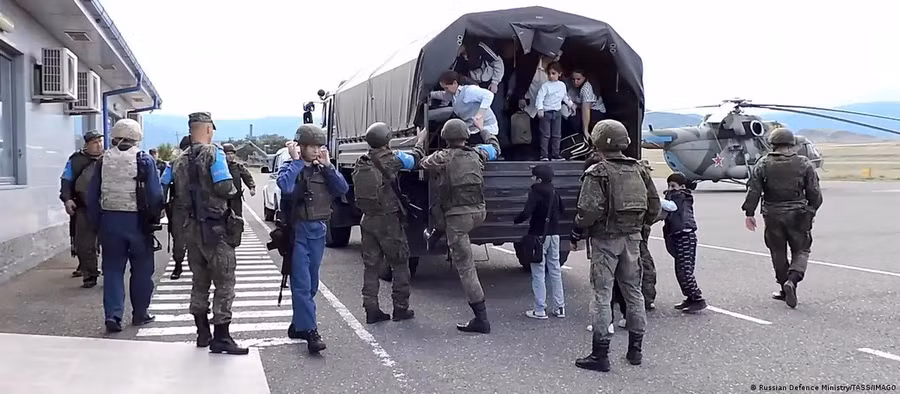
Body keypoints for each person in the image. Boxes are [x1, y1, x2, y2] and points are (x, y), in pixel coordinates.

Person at [571, 119, 660, 372]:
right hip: (632, 239)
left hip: (605, 240)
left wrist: (578, 227)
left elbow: (588, 210)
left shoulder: (597, 172)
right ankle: (635, 351)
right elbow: (654, 206)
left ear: (598, 141)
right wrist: (640, 228)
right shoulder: (641, 170)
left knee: (601, 293)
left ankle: (600, 355)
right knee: (633, 293)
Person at [413, 118, 500, 334]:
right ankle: (436, 233)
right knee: (444, 214)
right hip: (479, 212)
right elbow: (495, 147)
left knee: (466, 268)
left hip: (458, 217)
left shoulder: (441, 157)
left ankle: (481, 319)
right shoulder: (478, 154)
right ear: (465, 136)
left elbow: (419, 162)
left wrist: (420, 140)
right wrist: (483, 129)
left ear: (445, 137)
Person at [171, 112, 248, 355]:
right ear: (207, 129)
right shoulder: (215, 154)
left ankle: (202, 333)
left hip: (191, 229)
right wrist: (233, 190)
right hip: (216, 229)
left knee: (199, 281)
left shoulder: (179, 160)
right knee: (224, 283)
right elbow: (225, 186)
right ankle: (222, 337)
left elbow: (169, 189)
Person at [85, 119, 163, 333]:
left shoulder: (103, 160)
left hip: (109, 222)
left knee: (112, 270)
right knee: (142, 270)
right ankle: (140, 314)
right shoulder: (145, 159)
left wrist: (97, 223)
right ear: (137, 137)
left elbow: (92, 196)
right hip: (138, 223)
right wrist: (154, 218)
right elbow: (155, 195)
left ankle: (113, 316)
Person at [277, 124, 349, 354]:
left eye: (319, 146)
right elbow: (285, 187)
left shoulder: (323, 170)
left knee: (312, 284)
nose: (317, 150)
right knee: (301, 284)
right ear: (300, 147)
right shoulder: (290, 168)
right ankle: (310, 332)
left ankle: (299, 325)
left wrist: (328, 166)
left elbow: (342, 189)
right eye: (312, 146)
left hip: (318, 229)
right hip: (298, 231)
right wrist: (296, 161)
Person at [741, 128, 822, 309]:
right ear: (791, 144)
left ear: (773, 144)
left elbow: (753, 190)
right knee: (801, 250)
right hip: (798, 215)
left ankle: (784, 288)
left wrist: (749, 213)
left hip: (772, 215)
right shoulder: (804, 163)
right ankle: (792, 281)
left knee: (777, 252)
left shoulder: (763, 164)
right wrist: (810, 211)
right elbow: (815, 193)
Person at [352, 122, 417, 324]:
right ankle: (401, 308)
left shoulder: (361, 161)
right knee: (399, 262)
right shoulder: (391, 160)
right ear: (387, 139)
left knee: (370, 266)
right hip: (388, 219)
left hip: (367, 219)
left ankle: (371, 309)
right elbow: (414, 160)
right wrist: (420, 141)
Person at [514, 164, 566, 320]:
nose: (531, 178)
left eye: (533, 176)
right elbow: (562, 210)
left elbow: (527, 212)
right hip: (554, 234)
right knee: (555, 270)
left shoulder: (535, 191)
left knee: (538, 272)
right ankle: (560, 307)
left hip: (538, 235)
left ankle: (540, 309)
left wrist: (516, 220)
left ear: (538, 178)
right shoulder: (555, 192)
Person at [60, 130, 104, 286]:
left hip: (106, 207)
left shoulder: (109, 159)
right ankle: (89, 274)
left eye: (100, 141)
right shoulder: (76, 160)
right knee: (84, 244)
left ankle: (110, 271)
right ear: (86, 145)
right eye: (94, 142)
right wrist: (67, 199)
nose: (98, 145)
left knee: (110, 242)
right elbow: (66, 180)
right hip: (83, 207)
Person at [662, 172, 707, 312]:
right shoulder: (675, 195)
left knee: (684, 271)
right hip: (678, 235)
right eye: (669, 185)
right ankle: (690, 297)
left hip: (685, 235)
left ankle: (697, 298)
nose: (670, 188)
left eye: (673, 185)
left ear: (682, 186)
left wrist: (655, 199)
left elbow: (671, 207)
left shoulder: (681, 196)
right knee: (681, 270)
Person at [430, 70, 499, 141]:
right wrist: (430, 94)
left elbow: (488, 95)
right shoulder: (454, 95)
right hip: (472, 128)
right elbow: (443, 95)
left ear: (455, 83)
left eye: (446, 88)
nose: (446, 90)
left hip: (486, 129)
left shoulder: (468, 91)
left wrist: (480, 114)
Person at [162, 136, 191, 280]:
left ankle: (178, 266)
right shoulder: (207, 160)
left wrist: (161, 205)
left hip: (180, 206)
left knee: (179, 238)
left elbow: (164, 184)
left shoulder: (173, 164)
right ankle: (179, 265)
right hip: (193, 206)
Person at [535, 62, 576, 161]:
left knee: (556, 135)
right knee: (545, 135)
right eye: (549, 73)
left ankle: (555, 154)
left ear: (559, 74)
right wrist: (540, 109)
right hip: (546, 112)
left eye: (553, 73)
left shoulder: (562, 85)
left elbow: (564, 97)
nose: (551, 76)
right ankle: (544, 155)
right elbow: (540, 97)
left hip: (557, 112)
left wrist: (571, 105)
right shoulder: (545, 86)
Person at [570, 70, 608, 140]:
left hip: (596, 111)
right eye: (573, 79)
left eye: (578, 79)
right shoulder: (574, 85)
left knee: (575, 121)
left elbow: (586, 109)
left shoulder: (586, 88)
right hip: (585, 108)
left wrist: (585, 130)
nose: (575, 82)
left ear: (584, 77)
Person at [222, 143, 256, 218]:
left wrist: (252, 187)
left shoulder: (238, 167)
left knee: (237, 219)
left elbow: (247, 177)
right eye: (227, 154)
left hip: (235, 198)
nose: (230, 156)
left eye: (232, 153)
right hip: (222, 198)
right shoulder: (219, 167)